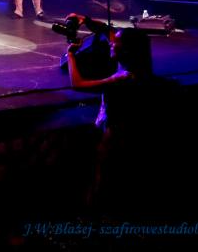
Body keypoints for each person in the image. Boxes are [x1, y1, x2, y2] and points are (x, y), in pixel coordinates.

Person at [65, 19, 181, 217]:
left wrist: (70, 55)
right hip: (127, 137)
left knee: (104, 185)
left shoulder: (123, 78)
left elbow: (78, 84)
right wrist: (85, 19)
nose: (111, 43)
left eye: (115, 43)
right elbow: (109, 31)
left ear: (126, 50)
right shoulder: (138, 69)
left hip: (115, 140)